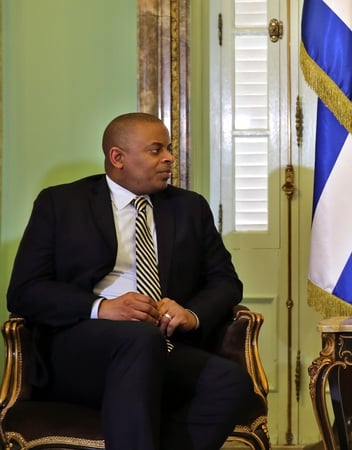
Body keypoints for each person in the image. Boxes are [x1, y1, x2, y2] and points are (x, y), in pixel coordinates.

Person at [7, 112, 252, 450]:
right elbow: (24, 291)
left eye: (169, 148)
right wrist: (101, 308)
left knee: (230, 381)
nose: (168, 158)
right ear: (117, 157)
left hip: (162, 345)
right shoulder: (61, 204)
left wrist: (190, 314)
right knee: (138, 338)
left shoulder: (189, 207)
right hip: (81, 352)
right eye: (155, 150)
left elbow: (226, 282)